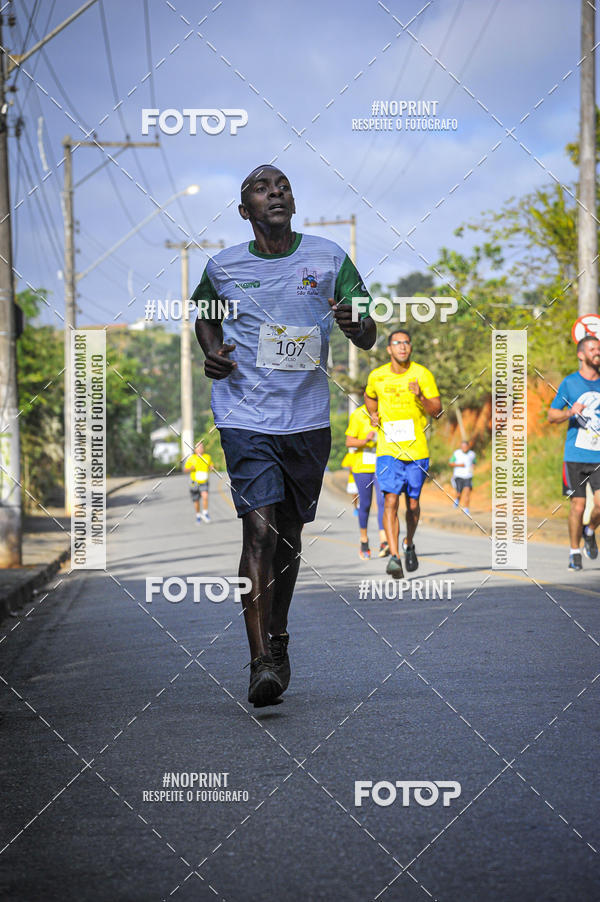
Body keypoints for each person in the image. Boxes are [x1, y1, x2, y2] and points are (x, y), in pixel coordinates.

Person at [193, 164, 376, 706]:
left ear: (292, 202)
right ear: (245, 210)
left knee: (290, 539)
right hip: (244, 417)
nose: (275, 192)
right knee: (260, 534)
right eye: (260, 187)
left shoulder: (329, 258)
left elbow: (368, 330)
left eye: (283, 186)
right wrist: (211, 351)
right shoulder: (222, 266)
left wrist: (355, 325)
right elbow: (204, 315)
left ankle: (278, 634)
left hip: (307, 422)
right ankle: (260, 663)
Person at [365, 329, 441, 578]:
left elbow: (437, 411)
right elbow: (369, 396)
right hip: (388, 450)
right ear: (389, 349)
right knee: (390, 500)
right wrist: (373, 414)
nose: (402, 346)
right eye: (397, 343)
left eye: (406, 342)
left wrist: (420, 395)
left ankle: (409, 543)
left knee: (413, 504)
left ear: (410, 347)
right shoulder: (377, 376)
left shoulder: (422, 374)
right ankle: (395, 556)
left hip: (416, 449)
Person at [548, 334, 600, 570]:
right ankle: (574, 551)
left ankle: (589, 531)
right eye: (592, 349)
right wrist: (570, 412)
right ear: (581, 355)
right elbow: (551, 416)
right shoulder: (570, 383)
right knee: (577, 506)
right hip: (575, 456)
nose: (597, 352)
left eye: (598, 349)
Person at [345, 402, 387, 558]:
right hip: (361, 467)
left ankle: (384, 540)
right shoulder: (358, 414)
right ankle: (364, 539)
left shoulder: (385, 410)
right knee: (366, 503)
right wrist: (365, 440)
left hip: (381, 465)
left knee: (383, 500)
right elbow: (349, 442)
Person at [184, 441, 214, 523]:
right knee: (196, 500)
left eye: (202, 447)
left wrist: (211, 467)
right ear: (195, 449)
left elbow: (211, 465)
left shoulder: (207, 457)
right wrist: (191, 468)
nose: (201, 449)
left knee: (205, 496)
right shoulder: (191, 458)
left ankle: (205, 513)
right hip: (194, 482)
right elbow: (185, 469)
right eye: (199, 447)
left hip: (204, 481)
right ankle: (198, 515)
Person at [449, 439, 476, 514]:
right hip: (458, 476)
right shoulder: (457, 453)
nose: (464, 448)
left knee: (467, 492)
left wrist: (473, 467)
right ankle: (457, 499)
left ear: (468, 447)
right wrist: (459, 465)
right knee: (459, 493)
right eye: (462, 447)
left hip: (468, 476)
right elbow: (450, 463)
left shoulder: (472, 454)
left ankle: (466, 508)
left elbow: (474, 462)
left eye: (465, 447)